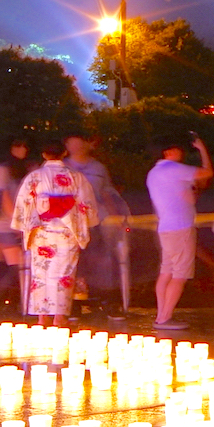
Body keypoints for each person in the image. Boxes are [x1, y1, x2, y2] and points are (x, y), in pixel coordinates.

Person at [10, 140, 97, 327]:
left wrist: (26, 224)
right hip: (68, 231)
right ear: (64, 153)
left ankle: (42, 317)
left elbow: (25, 205)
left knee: (41, 274)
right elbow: (86, 205)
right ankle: (60, 316)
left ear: (43, 155)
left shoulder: (34, 177)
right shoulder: (76, 177)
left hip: (42, 232)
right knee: (64, 274)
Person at [145, 132, 213, 331]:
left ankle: (161, 314)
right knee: (180, 273)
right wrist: (202, 149)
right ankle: (164, 318)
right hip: (181, 226)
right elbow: (207, 172)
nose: (180, 153)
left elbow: (187, 197)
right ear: (169, 152)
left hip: (165, 226)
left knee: (166, 270)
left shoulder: (153, 173)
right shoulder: (175, 169)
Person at [65, 133, 129, 318]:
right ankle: (74, 303)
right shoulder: (63, 167)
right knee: (75, 262)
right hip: (71, 223)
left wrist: (115, 216)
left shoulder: (98, 167)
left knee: (102, 259)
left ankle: (106, 301)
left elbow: (107, 193)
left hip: (96, 220)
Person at [0, 138, 33, 313]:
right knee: (15, 267)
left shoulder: (23, 167)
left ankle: (8, 306)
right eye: (17, 145)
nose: (22, 149)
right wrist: (17, 224)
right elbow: (3, 198)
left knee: (17, 268)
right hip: (5, 224)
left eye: (25, 145)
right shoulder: (2, 168)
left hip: (17, 224)